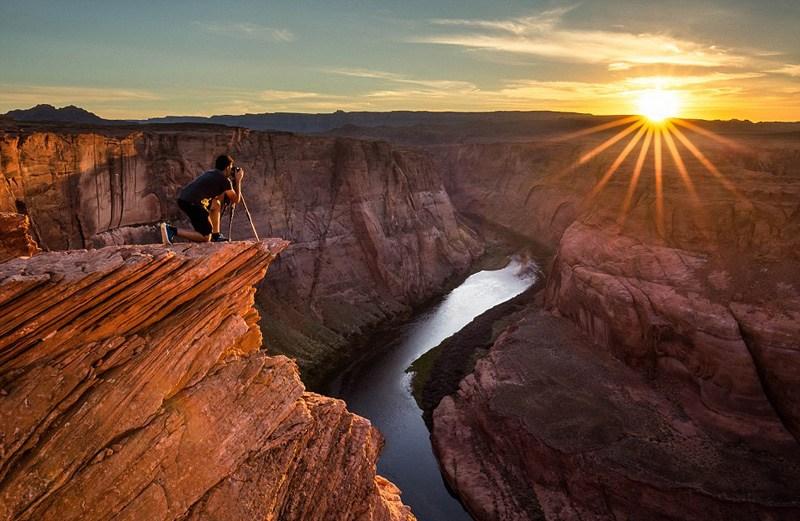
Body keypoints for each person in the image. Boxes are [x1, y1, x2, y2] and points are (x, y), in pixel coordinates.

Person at [160, 154, 244, 244]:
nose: (231, 170)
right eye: (231, 167)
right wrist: (238, 181)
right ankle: (171, 230)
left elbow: (218, 198)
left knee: (216, 204)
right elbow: (236, 200)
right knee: (206, 237)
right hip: (193, 203)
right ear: (227, 167)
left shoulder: (211, 173)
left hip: (184, 199)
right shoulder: (224, 180)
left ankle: (216, 235)